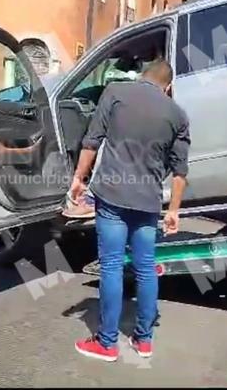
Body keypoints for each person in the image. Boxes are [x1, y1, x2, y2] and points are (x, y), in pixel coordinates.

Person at [69, 57, 190, 362]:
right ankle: (144, 340)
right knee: (146, 268)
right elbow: (180, 172)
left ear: (141, 76)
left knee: (110, 266)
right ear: (168, 86)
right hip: (148, 202)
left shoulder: (115, 92)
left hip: (111, 195)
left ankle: (107, 343)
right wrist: (173, 211)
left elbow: (92, 141)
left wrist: (79, 179)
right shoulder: (177, 114)